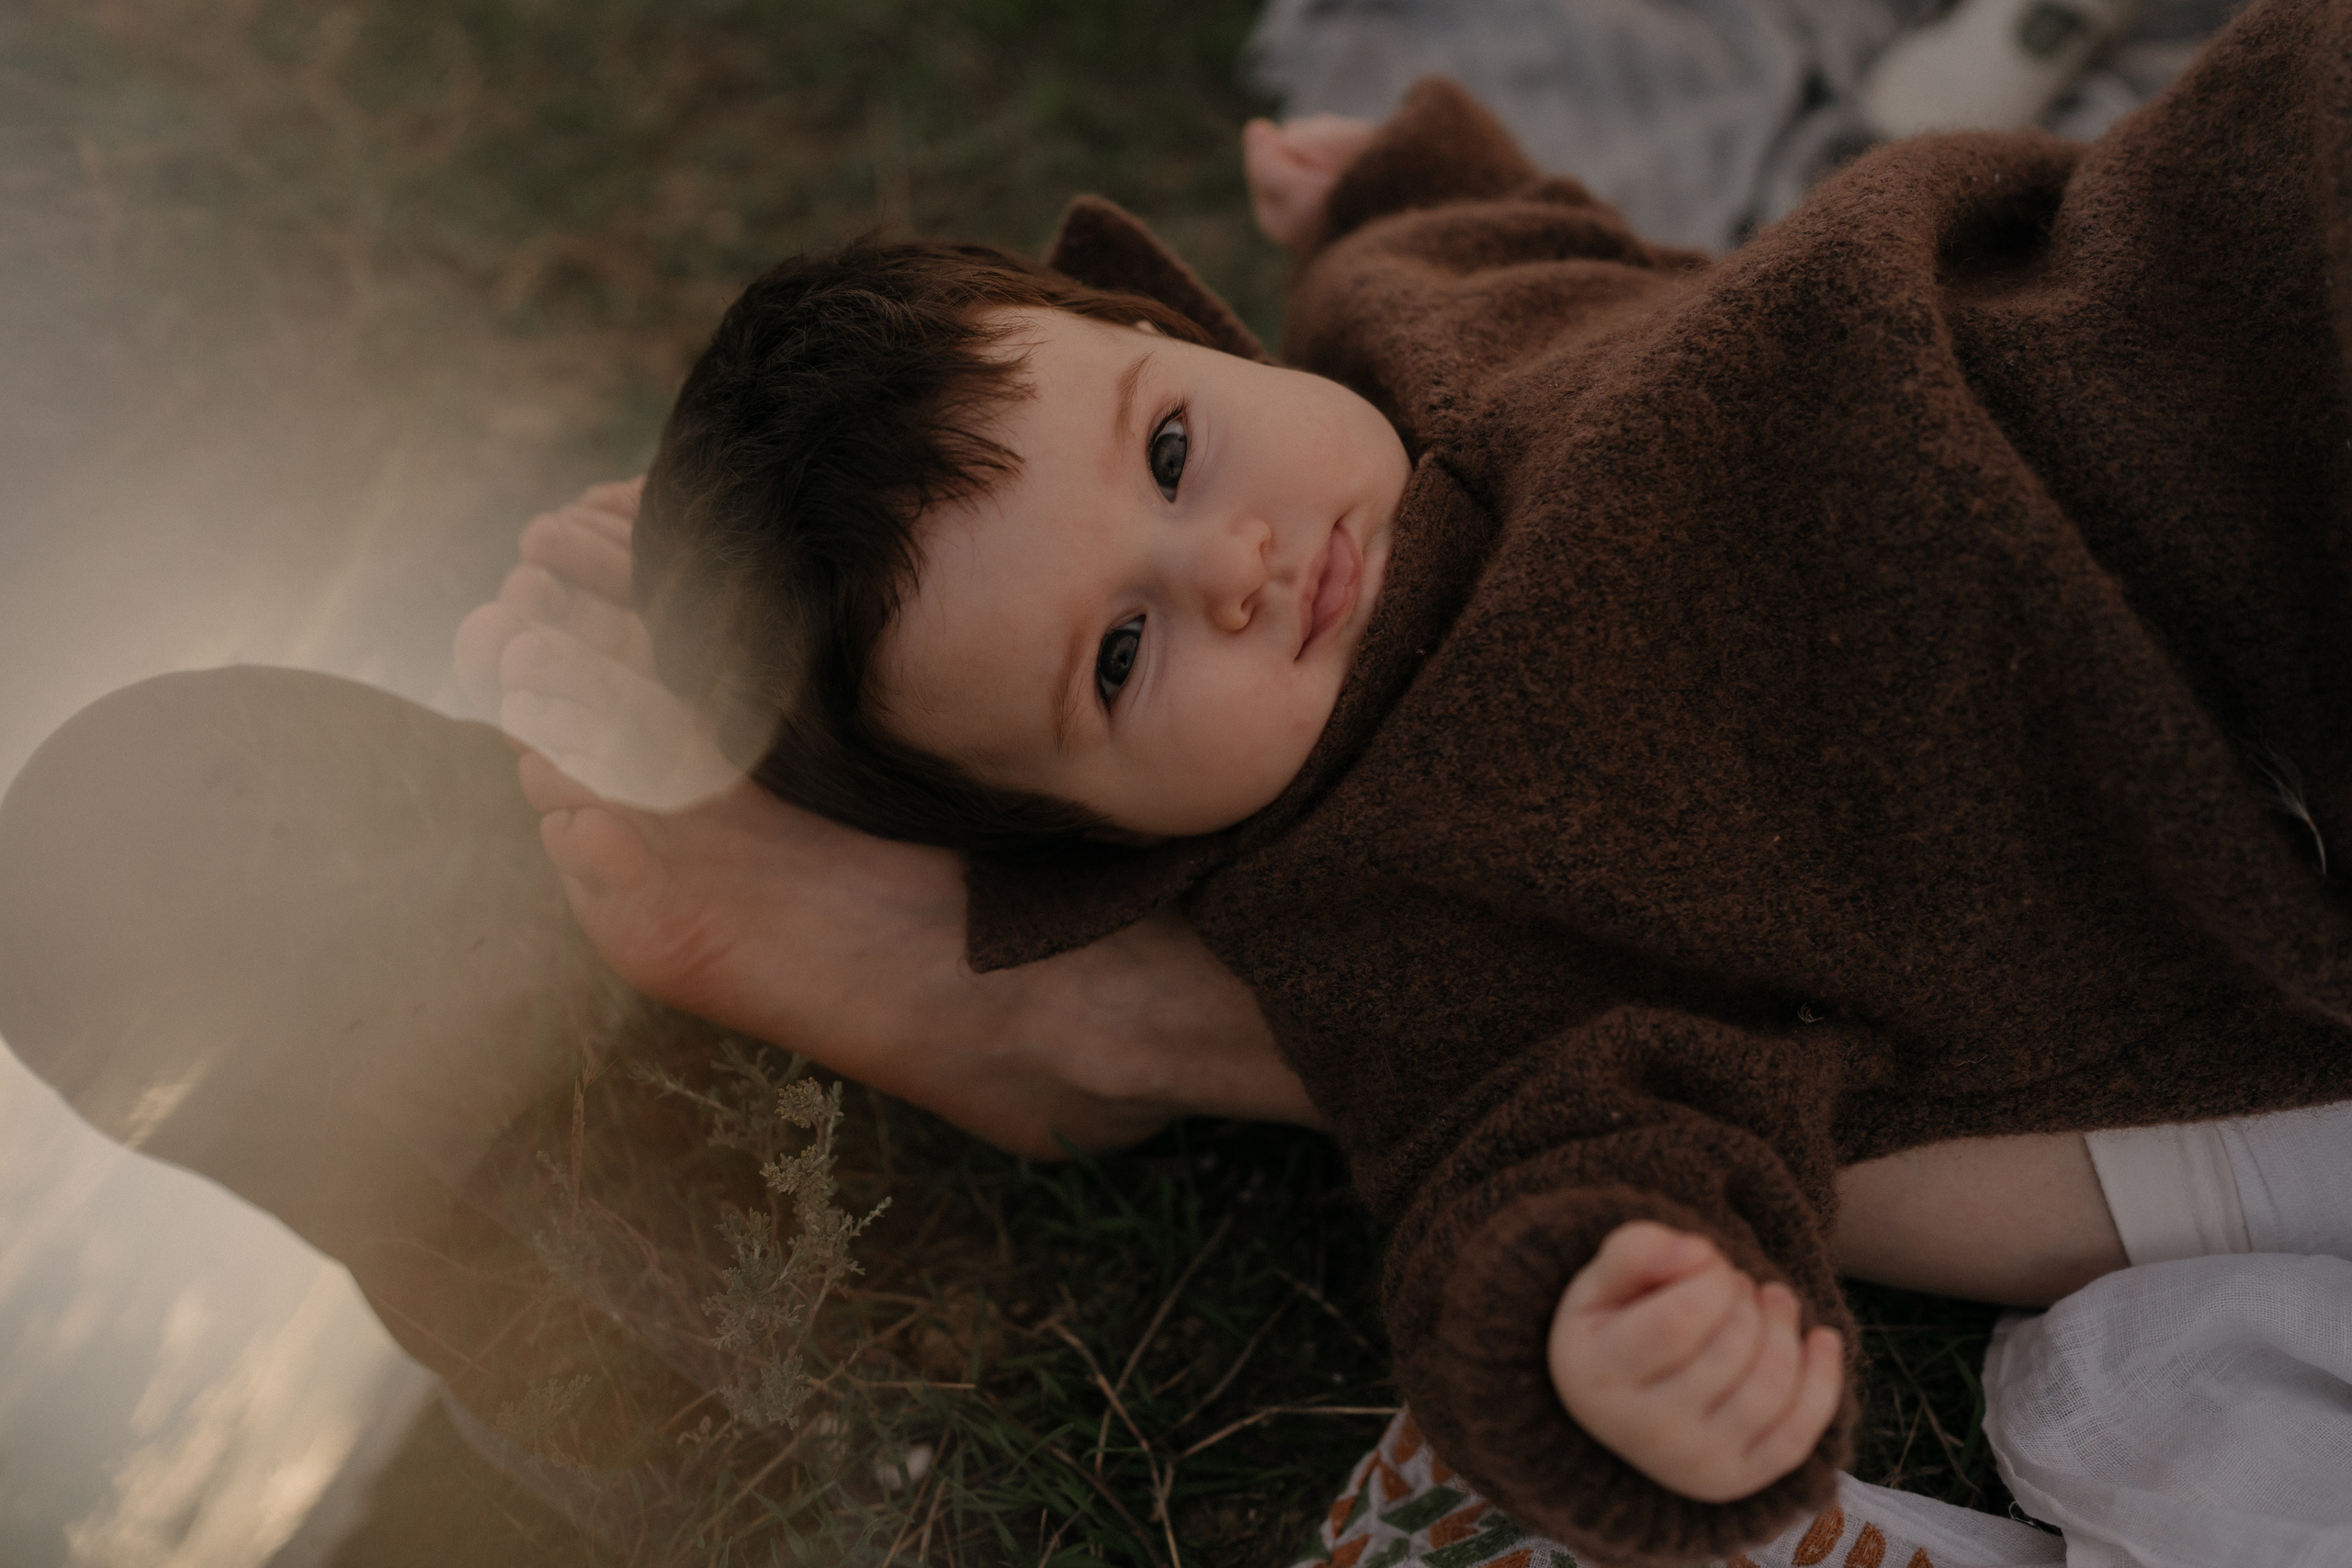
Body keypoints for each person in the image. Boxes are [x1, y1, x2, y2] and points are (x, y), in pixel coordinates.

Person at [453, 0, 2352, 1553]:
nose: (1232, 563)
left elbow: (1476, 234)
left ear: (1171, 324)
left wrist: (1380, 179)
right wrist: (1606, 1342)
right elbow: (1531, 1181)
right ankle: (1087, 1013)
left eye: (1171, 447)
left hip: (2172, 295)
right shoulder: (1401, 907)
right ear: (1086, 851)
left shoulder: (1399, 330)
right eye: (1119, 657)